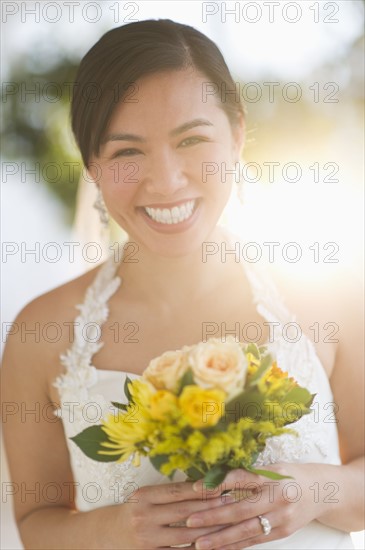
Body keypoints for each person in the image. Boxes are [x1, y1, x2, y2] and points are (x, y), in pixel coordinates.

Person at [2, 19, 364, 550]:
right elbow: (36, 522)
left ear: (237, 133)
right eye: (127, 151)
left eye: (191, 139)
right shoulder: (43, 331)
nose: (167, 180)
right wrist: (116, 528)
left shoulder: (332, 294)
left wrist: (314, 489)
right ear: (93, 165)